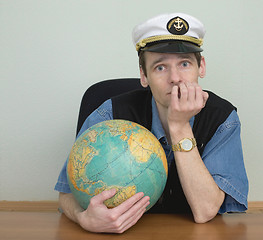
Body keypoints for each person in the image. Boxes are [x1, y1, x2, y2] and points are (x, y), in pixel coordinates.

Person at [54, 13, 248, 233]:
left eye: (184, 64)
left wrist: (179, 126)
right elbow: (66, 194)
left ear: (201, 67)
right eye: (160, 67)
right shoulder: (110, 115)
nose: (175, 77)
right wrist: (83, 218)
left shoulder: (223, 120)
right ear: (143, 76)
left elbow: (205, 211)